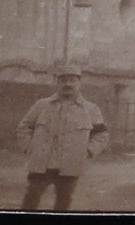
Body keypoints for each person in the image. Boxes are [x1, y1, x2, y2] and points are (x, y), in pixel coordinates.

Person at [15, 63, 110, 211]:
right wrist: (29, 147)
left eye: (72, 80)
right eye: (63, 80)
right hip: (42, 163)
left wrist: (89, 151)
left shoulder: (91, 109)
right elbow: (24, 127)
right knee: (31, 198)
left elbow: (101, 134)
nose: (68, 84)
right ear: (57, 83)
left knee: (64, 202)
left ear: (79, 83)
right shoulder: (42, 105)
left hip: (70, 164)